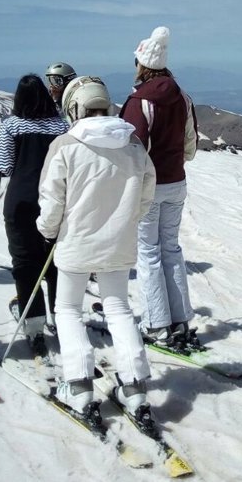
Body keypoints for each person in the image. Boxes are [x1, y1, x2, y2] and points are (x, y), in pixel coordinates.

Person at [37, 76, 156, 418]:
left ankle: (80, 387)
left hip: (75, 242)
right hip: (118, 242)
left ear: (74, 107)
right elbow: (147, 193)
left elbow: (51, 198)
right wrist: (127, 221)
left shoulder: (66, 145)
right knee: (118, 309)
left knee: (69, 310)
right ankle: (134, 387)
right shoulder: (133, 144)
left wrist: (48, 230)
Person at [119, 26, 199, 348]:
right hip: (177, 182)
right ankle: (180, 320)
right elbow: (190, 144)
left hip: (150, 187)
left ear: (142, 63)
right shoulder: (183, 97)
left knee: (149, 254)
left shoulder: (140, 101)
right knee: (171, 249)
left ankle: (156, 324)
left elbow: (132, 148)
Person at [0, 74, 69, 358]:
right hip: (56, 202)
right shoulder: (62, 126)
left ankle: (34, 327)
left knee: (25, 264)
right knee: (57, 263)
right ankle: (63, 320)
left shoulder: (11, 127)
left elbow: (3, 167)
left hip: (21, 202)